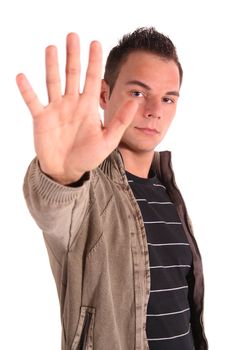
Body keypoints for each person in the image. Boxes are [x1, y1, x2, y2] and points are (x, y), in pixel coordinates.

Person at [16, 27, 208, 349]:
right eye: (137, 93)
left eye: (167, 98)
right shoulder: (88, 189)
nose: (154, 111)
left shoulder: (167, 191)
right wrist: (62, 175)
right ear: (104, 95)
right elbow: (55, 209)